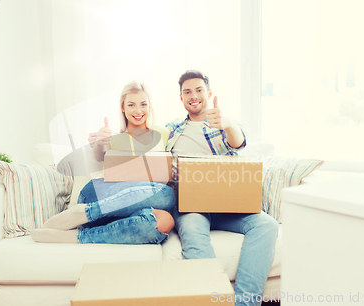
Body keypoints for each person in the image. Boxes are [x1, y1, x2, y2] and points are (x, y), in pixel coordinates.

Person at [166, 70, 278, 306]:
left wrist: (227, 124)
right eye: (187, 92)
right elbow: (143, 144)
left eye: (199, 90)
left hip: (227, 205)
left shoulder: (223, 124)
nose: (193, 96)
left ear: (209, 93)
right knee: (194, 234)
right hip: (191, 206)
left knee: (267, 225)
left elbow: (239, 141)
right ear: (181, 97)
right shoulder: (171, 129)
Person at [31, 81, 176, 245]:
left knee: (164, 221)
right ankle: (85, 212)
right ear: (123, 107)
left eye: (143, 104)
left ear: (149, 106)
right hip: (99, 194)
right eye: (131, 104)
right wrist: (100, 142)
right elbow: (99, 155)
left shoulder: (163, 133)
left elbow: (184, 128)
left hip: (131, 207)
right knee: (167, 195)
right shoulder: (113, 136)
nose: (138, 110)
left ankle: (78, 237)